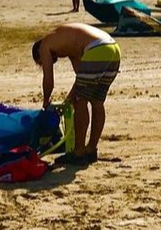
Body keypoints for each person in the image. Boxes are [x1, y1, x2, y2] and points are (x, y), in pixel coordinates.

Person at [32, 23, 120, 165]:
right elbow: (81, 79)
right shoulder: (69, 44)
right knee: (97, 102)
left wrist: (46, 101)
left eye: (41, 62)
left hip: (96, 49)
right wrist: (68, 100)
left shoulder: (44, 45)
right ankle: (91, 150)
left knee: (81, 102)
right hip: (112, 48)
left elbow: (48, 79)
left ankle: (78, 152)